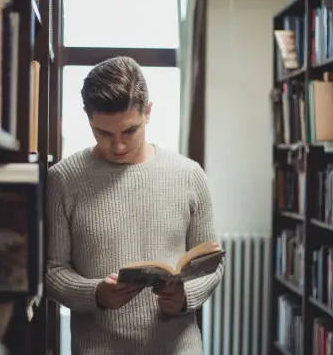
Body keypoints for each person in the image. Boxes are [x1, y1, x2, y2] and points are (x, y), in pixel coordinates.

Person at [45, 56, 224, 355]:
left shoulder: (189, 175)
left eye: (129, 131)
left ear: (148, 112)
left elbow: (212, 265)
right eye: (103, 133)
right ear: (88, 119)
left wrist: (185, 296)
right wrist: (96, 294)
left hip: (177, 347)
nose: (118, 146)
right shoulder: (64, 179)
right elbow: (52, 271)